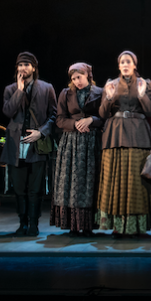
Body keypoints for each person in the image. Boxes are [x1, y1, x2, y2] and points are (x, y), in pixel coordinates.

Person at [97, 51, 151, 238]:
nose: (125, 64)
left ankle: (138, 226)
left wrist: (142, 95)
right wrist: (108, 97)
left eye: (128, 61)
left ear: (134, 65)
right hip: (115, 136)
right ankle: (117, 226)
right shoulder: (111, 84)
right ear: (118, 65)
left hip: (138, 136)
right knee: (116, 181)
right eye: (122, 62)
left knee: (137, 183)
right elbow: (102, 114)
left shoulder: (144, 83)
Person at [0, 52, 57, 237]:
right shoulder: (10, 89)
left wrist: (41, 132)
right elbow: (8, 111)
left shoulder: (46, 88)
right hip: (16, 143)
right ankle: (22, 223)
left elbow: (53, 115)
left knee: (35, 188)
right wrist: (19, 90)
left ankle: (33, 224)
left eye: (27, 64)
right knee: (19, 188)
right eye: (20, 65)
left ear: (33, 67)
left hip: (36, 144)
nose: (23, 68)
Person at [52, 62, 104, 236]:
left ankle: (89, 225)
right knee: (71, 183)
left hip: (92, 142)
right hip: (71, 142)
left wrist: (92, 120)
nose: (77, 81)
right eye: (73, 79)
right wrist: (74, 124)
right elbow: (59, 119)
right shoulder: (65, 94)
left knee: (90, 182)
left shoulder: (100, 92)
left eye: (79, 77)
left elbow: (106, 117)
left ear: (87, 75)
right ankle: (73, 225)